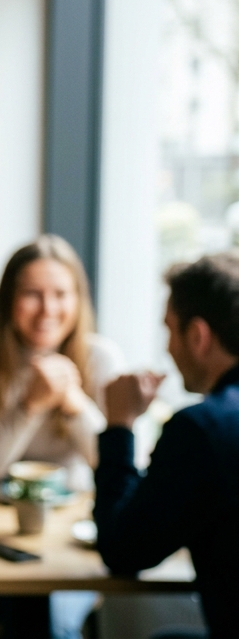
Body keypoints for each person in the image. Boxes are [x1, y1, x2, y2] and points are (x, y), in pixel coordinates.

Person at [0, 235, 121, 639]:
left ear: (78, 300)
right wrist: (29, 406)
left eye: (61, 294)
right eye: (32, 294)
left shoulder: (101, 358)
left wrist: (73, 403)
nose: (48, 309)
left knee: (55, 623)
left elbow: (114, 464)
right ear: (8, 299)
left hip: (71, 530)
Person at [95, 253, 239, 637]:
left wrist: (119, 425)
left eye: (170, 331)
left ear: (198, 336)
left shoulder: (203, 429)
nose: (169, 350)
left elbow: (122, 551)